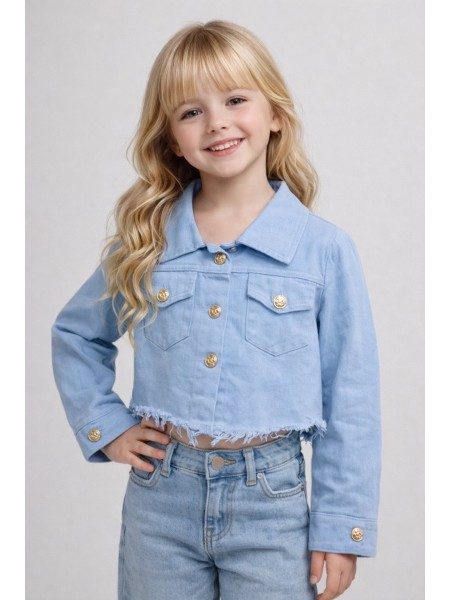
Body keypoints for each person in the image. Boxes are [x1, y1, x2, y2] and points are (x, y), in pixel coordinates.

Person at [51, 19, 381, 600]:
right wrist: (107, 427)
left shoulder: (323, 250)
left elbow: (350, 397)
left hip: (273, 508)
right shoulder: (146, 242)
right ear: (171, 140)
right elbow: (76, 334)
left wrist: (341, 526)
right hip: (161, 503)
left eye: (235, 100)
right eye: (191, 111)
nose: (217, 122)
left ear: (274, 113)